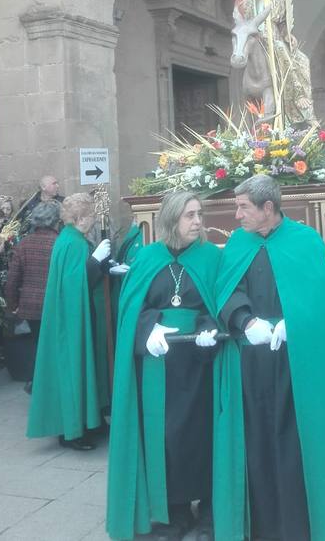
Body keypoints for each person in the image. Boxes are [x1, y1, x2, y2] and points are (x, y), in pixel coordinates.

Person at [213, 175, 325, 541]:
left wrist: (295, 323)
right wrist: (246, 320)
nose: (237, 214)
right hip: (253, 362)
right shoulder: (238, 244)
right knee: (257, 439)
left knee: (296, 441)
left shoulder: (306, 241)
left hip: (299, 363)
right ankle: (263, 523)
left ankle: (306, 521)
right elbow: (226, 289)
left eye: (243, 207)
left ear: (268, 208)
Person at [107, 191, 219, 541]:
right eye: (190, 215)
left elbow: (219, 303)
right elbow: (129, 309)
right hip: (158, 367)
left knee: (203, 436)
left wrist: (206, 328)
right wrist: (147, 327)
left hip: (200, 365)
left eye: (199, 214)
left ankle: (209, 515)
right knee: (165, 437)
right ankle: (174, 512)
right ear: (171, 219)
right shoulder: (147, 258)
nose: (198, 222)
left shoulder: (211, 258)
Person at [27, 193, 115, 450]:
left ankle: (91, 421)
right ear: (78, 218)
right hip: (70, 319)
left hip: (72, 314)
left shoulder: (70, 239)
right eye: (89, 217)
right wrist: (96, 261)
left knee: (84, 368)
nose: (92, 222)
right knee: (74, 369)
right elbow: (74, 283)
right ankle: (72, 432)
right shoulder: (73, 242)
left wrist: (106, 268)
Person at [234, 0, 314, 124]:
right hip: (257, 35)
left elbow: (283, 20)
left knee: (302, 60)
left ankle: (302, 109)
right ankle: (294, 97)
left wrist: (288, 34)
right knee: (277, 49)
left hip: (277, 36)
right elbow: (243, 12)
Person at [4, 201, 61, 391]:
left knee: (38, 343)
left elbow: (12, 280)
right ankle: (47, 385)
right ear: (55, 221)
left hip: (30, 306)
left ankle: (36, 381)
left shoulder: (24, 244)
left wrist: (13, 306)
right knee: (55, 347)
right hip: (55, 305)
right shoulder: (59, 243)